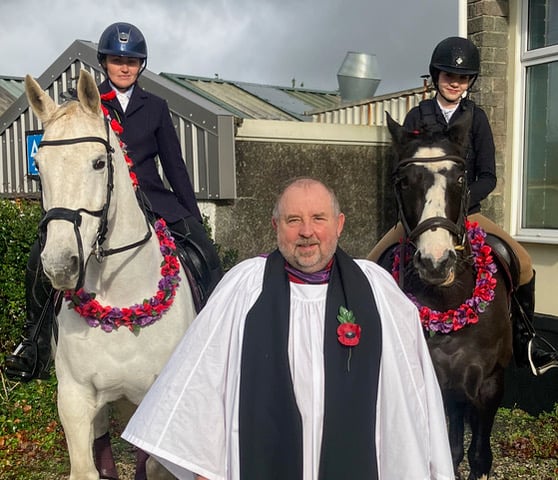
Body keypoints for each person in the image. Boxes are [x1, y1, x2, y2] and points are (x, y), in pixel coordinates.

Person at [121, 177, 454, 480]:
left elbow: (411, 391)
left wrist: (421, 462)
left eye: (318, 219)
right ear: (276, 226)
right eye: (293, 220)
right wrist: (204, 466)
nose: (306, 231)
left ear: (338, 225)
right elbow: (202, 382)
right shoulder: (244, 288)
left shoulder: (377, 291)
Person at [4, 22, 223, 379]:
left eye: (132, 61)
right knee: (37, 257)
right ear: (104, 63)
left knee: (205, 254)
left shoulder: (156, 107)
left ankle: (215, 335)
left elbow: (174, 165)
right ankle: (35, 346)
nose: (124, 67)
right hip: (99, 203)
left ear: (141, 66)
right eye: (117, 60)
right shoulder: (86, 106)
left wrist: (193, 216)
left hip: (152, 198)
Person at [368, 36, 558, 376]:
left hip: (465, 213)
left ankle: (527, 340)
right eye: (448, 76)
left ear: (470, 81)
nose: (455, 82)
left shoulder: (477, 118)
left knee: (524, 263)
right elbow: (402, 174)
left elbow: (488, 175)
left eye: (462, 78)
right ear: (436, 77)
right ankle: (368, 337)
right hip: (422, 217)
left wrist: (459, 202)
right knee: (371, 264)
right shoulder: (416, 116)